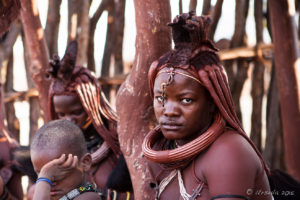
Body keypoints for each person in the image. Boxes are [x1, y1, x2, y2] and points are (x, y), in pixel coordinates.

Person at [142, 12, 273, 200]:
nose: (169, 111)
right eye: (161, 99)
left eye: (186, 100)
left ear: (212, 103)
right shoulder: (160, 151)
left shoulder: (228, 151)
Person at [47, 41, 132, 199]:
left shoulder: (119, 144)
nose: (68, 121)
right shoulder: (51, 151)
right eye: (61, 115)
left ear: (92, 105)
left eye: (77, 112)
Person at [30, 119, 101, 200]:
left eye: (57, 175)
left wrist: (44, 179)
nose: (50, 182)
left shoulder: (89, 197)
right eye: (40, 173)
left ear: (85, 163)